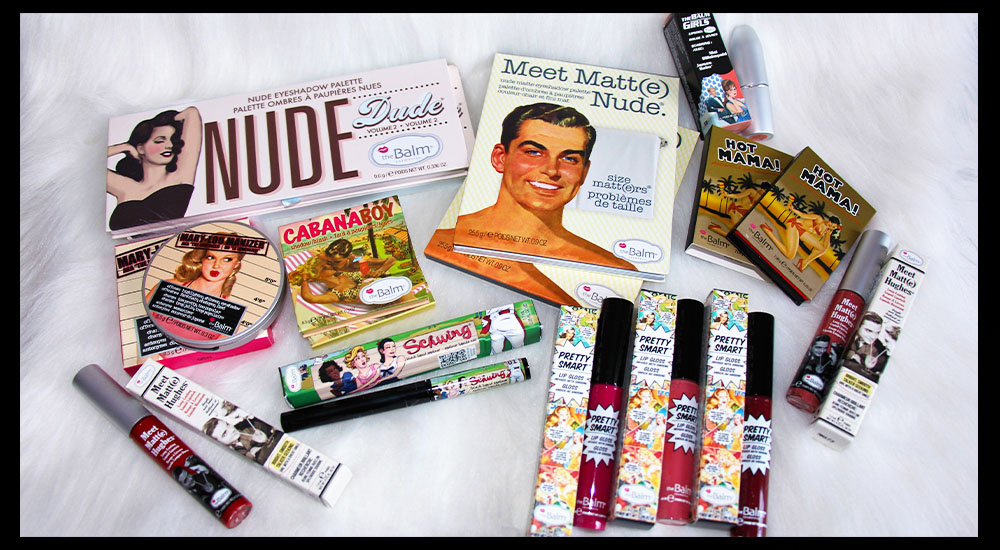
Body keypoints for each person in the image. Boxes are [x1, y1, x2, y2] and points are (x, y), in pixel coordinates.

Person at [454, 102, 637, 272]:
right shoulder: (453, 237)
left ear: (584, 172)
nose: (551, 170)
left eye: (569, 158)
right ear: (500, 158)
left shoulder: (611, 267)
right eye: (533, 152)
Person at [107, 107, 202, 230]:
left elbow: (191, 113)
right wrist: (124, 147)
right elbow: (92, 164)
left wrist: (167, 119)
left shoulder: (179, 177)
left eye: (173, 140)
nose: (169, 145)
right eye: (159, 141)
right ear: (140, 148)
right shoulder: (126, 188)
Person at [290, 238, 396, 304]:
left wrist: (380, 271)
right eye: (329, 262)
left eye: (337, 262)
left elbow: (391, 260)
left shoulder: (358, 260)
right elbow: (310, 297)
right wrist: (304, 277)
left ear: (348, 257)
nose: (331, 265)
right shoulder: (326, 261)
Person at [145, 233, 244, 301]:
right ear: (202, 258)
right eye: (211, 257)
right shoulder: (168, 287)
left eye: (227, 259)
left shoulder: (229, 310)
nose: (216, 265)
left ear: (236, 264)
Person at [759, 205, 841, 272]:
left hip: (802, 232)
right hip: (795, 225)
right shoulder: (819, 219)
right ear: (829, 220)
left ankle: (804, 263)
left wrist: (829, 232)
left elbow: (826, 246)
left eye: (833, 227)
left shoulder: (827, 231)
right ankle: (768, 231)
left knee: (822, 248)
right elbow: (803, 215)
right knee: (789, 255)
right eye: (831, 224)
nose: (831, 226)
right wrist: (793, 209)